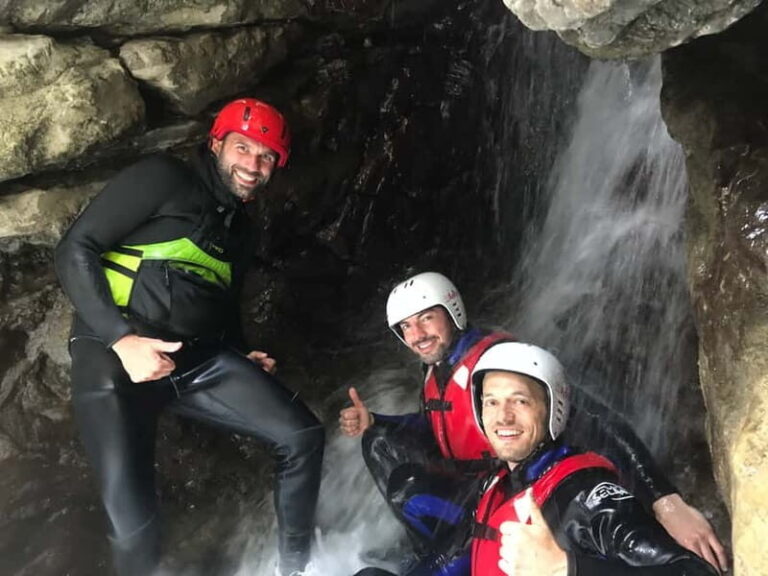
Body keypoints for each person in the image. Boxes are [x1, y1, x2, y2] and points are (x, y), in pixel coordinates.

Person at [55, 98, 324, 576]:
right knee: (135, 525)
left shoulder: (240, 231)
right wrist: (122, 340)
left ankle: (298, 568)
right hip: (114, 356)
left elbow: (220, 302)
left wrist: (243, 354)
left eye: (267, 157)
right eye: (244, 148)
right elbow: (76, 248)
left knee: (302, 435)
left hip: (196, 361)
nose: (253, 166)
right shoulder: (163, 178)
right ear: (217, 143)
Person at [340, 272, 725, 574]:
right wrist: (376, 420)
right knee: (376, 442)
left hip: (505, 484)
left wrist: (665, 500)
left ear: (452, 311)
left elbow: (596, 421)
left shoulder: (499, 362)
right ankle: (434, 548)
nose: (417, 335)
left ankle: (443, 546)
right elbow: (440, 425)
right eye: (406, 327)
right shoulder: (437, 369)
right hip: (486, 486)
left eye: (426, 319)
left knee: (410, 489)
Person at [469, 341, 718, 575]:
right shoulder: (497, 482)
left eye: (520, 401)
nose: (503, 417)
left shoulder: (588, 498)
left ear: (554, 410)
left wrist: (566, 568)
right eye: (491, 402)